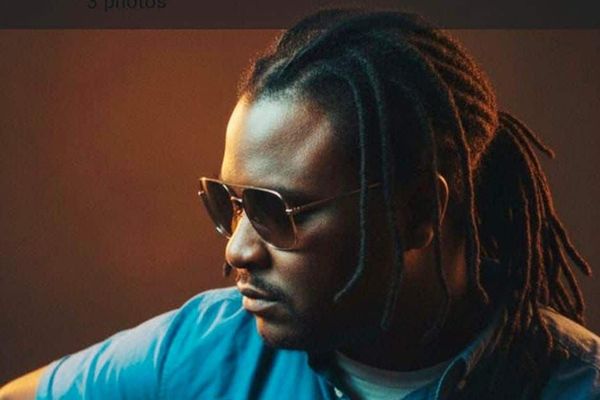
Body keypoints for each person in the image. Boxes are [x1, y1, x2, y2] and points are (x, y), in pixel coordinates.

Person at [1, 9, 599, 400]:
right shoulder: (202, 347)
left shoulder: (576, 384)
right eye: (229, 203)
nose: (237, 250)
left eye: (275, 211)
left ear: (417, 213)